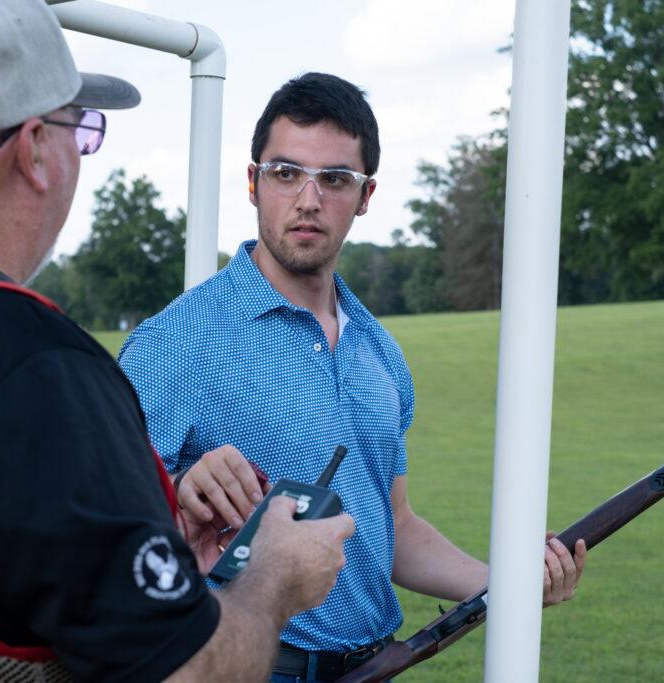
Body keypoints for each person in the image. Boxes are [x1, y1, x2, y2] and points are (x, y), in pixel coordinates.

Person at [0, 2, 354, 681]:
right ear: (36, 147)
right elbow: (182, 671)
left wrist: (147, 544)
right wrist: (273, 579)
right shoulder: (21, 358)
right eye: (83, 130)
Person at [119, 72, 588, 681]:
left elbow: (394, 528)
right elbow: (105, 525)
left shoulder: (379, 351)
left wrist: (508, 585)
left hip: (377, 665)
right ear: (253, 184)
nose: (308, 200)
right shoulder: (176, 340)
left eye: (335, 179)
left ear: (365, 195)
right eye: (286, 174)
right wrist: (180, 485)